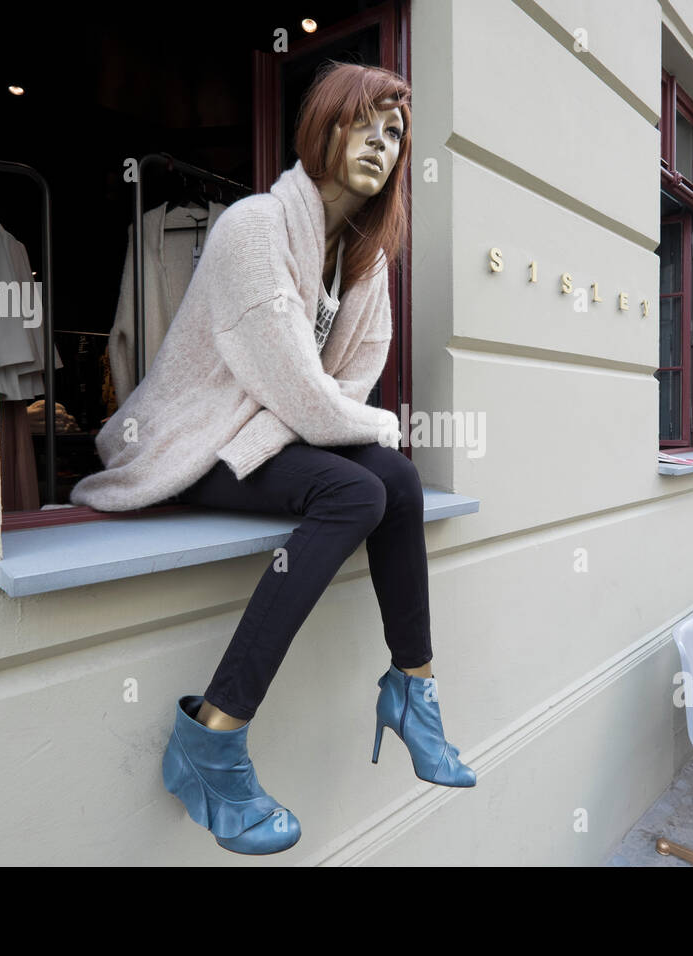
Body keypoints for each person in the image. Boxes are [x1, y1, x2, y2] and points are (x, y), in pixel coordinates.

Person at [74, 63, 476, 856]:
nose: (380, 143)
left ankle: (414, 690)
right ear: (322, 127)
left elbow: (347, 381)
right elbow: (309, 392)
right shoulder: (254, 227)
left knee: (390, 479)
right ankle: (212, 736)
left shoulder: (365, 260)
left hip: (271, 435)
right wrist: (373, 427)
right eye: (362, 122)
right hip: (192, 442)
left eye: (394, 134)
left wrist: (361, 431)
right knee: (357, 493)